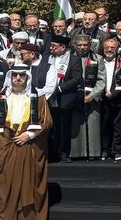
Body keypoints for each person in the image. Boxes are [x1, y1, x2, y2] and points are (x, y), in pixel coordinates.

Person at [0, 64, 53, 220]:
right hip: (2, 148)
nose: (18, 78)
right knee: (0, 186)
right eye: (15, 75)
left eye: (22, 75)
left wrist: (29, 134)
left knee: (28, 186)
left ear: (27, 77)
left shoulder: (38, 97)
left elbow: (46, 122)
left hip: (28, 148)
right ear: (10, 77)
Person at [48, 34, 82, 162]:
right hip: (49, 97)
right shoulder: (47, 58)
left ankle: (63, 152)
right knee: (51, 126)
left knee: (64, 127)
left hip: (65, 97)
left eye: (54, 46)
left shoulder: (74, 60)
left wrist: (61, 88)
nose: (51, 48)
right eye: (51, 46)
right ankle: (52, 152)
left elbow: (76, 78)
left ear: (63, 47)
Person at [99, 38, 121, 160]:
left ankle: (117, 150)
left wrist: (113, 93)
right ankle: (105, 150)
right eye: (107, 48)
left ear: (116, 49)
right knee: (104, 126)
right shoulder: (98, 61)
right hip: (101, 98)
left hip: (117, 98)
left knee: (118, 126)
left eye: (112, 48)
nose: (109, 50)